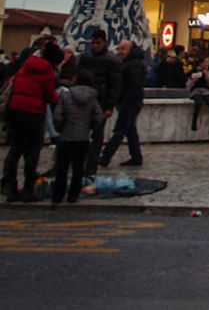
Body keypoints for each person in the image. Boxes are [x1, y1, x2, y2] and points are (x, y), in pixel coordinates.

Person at [2, 44, 58, 202]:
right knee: (32, 152)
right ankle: (28, 189)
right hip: (33, 113)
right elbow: (49, 96)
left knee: (15, 149)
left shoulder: (27, 64)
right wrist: (59, 97)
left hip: (15, 111)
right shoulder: (47, 69)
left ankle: (10, 187)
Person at [51, 69, 104, 207]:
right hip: (82, 138)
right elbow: (99, 116)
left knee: (62, 168)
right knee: (78, 168)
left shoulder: (65, 96)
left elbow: (57, 116)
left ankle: (58, 196)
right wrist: (90, 126)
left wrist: (61, 128)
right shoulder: (92, 98)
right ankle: (73, 196)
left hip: (66, 137)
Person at [79, 29, 122, 179]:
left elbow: (115, 85)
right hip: (85, 102)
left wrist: (110, 106)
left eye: (97, 43)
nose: (95, 46)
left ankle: (91, 168)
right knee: (82, 135)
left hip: (101, 103)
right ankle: (82, 165)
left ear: (104, 42)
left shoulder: (112, 61)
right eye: (93, 43)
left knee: (97, 136)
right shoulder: (85, 58)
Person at [98, 39, 145, 169]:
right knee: (130, 130)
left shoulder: (133, 65)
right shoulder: (129, 63)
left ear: (130, 50)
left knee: (120, 129)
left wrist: (124, 101)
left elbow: (134, 86)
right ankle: (136, 157)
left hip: (129, 102)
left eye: (123, 49)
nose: (120, 52)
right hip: (129, 101)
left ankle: (105, 157)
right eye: (119, 49)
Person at [186, 57, 209, 132]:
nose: (207, 64)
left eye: (208, 62)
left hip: (206, 92)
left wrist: (207, 76)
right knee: (198, 102)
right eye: (205, 62)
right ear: (201, 63)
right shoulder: (193, 71)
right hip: (196, 91)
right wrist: (193, 81)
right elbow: (188, 86)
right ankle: (194, 123)